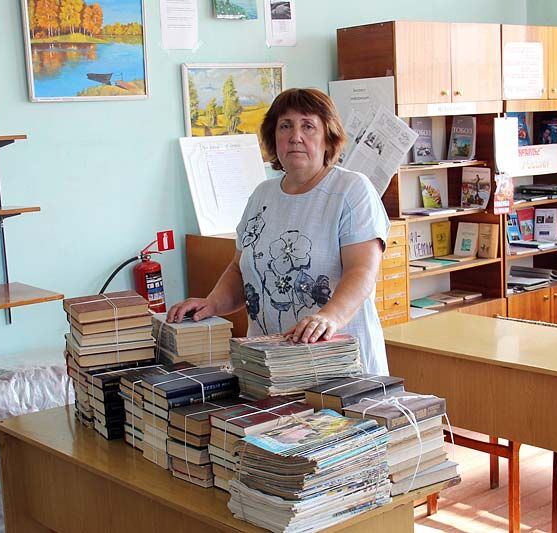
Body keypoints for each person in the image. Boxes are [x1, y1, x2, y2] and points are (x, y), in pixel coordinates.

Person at [167, 88, 391, 375]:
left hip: (337, 363)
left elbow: (362, 272)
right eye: (285, 126)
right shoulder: (262, 195)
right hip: (271, 367)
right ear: (274, 137)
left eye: (308, 126)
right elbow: (240, 270)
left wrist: (328, 318)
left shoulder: (351, 191)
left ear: (328, 137)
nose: (295, 136)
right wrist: (211, 303)